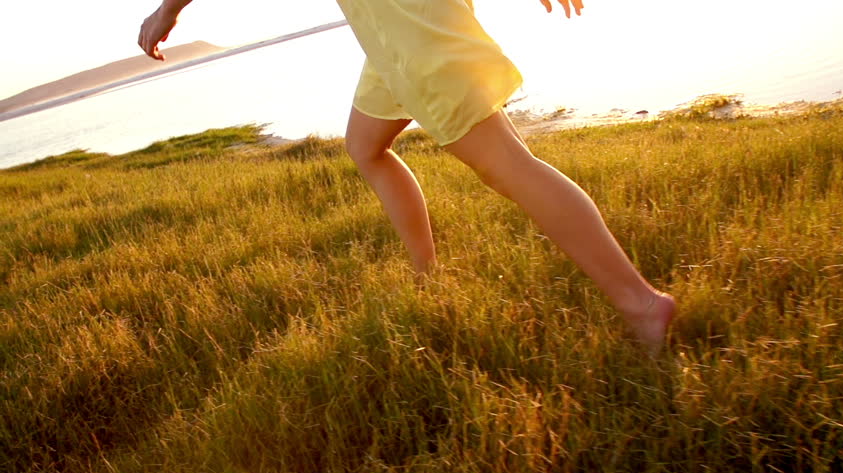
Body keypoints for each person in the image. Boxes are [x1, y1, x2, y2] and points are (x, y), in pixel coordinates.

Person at [138, 0, 676, 354]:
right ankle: (429, 276)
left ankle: (642, 304)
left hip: (418, 34)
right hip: (391, 38)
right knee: (366, 146)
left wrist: (168, 9)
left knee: (510, 168)